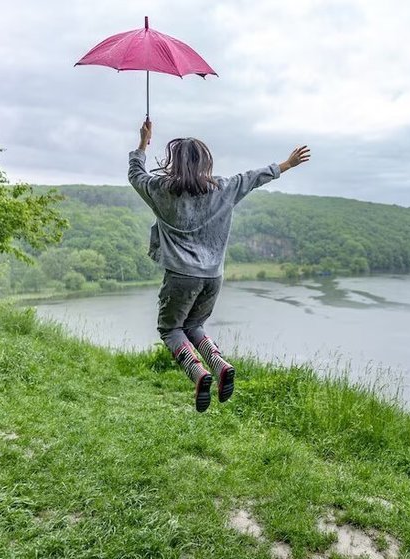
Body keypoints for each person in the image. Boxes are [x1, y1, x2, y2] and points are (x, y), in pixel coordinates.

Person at [128, 119, 310, 412]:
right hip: (213, 277)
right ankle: (221, 365)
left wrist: (143, 143)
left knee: (171, 329)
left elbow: (135, 174)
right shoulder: (223, 189)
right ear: (205, 162)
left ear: (174, 162)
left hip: (180, 277)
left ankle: (199, 374)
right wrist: (287, 164)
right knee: (195, 325)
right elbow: (253, 177)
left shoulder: (160, 189)